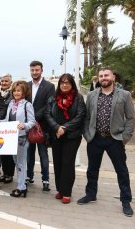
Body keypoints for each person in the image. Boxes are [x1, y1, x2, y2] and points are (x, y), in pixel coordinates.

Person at [77, 67, 135, 217]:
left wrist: (125, 138)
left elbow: (130, 118)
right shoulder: (91, 95)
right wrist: (87, 134)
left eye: (106, 75)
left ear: (113, 77)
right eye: (101, 76)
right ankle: (91, 194)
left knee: (121, 171)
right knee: (92, 169)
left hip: (115, 139)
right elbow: (87, 118)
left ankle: (125, 200)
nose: (104, 78)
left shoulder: (124, 95)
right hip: (95, 138)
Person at [45, 73, 86, 204]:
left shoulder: (78, 98)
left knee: (68, 163)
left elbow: (80, 116)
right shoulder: (53, 98)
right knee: (57, 163)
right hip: (56, 135)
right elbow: (47, 114)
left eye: (67, 82)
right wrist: (57, 128)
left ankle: (67, 192)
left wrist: (65, 128)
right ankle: (60, 190)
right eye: (62, 82)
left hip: (72, 136)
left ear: (72, 84)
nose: (64, 85)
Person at [0, 81, 35, 197]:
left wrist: (24, 125)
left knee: (21, 163)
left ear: (24, 92)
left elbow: (32, 122)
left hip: (22, 137)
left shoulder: (27, 105)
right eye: (14, 90)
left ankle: (21, 187)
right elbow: (7, 120)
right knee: (16, 162)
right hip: (11, 137)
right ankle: (21, 185)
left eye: (18, 90)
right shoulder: (11, 104)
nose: (16, 93)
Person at [27, 60, 55, 192]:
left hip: (42, 126)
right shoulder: (26, 85)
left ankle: (45, 180)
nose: (34, 72)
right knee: (29, 154)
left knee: (43, 154)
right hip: (28, 126)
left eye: (37, 70)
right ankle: (29, 176)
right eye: (32, 70)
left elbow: (48, 105)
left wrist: (34, 117)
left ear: (41, 70)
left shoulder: (49, 86)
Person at [0, 73, 15, 184]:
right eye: (3, 81)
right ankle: (4, 173)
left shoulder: (13, 94)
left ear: (10, 83)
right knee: (2, 152)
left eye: (6, 81)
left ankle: (10, 174)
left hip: (10, 126)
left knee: (9, 153)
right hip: (0, 125)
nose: (4, 83)